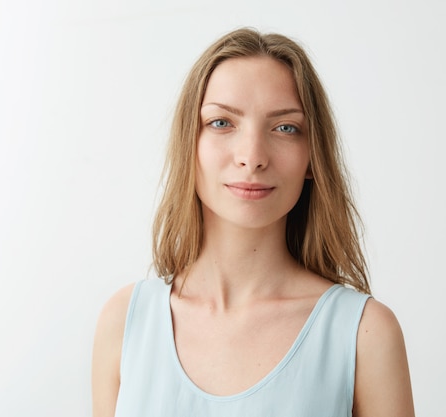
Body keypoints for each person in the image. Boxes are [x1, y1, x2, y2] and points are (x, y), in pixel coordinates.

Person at [92, 28, 414, 417]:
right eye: (222, 123)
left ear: (313, 157)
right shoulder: (126, 323)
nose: (252, 156)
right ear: (188, 144)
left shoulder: (365, 335)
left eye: (285, 128)